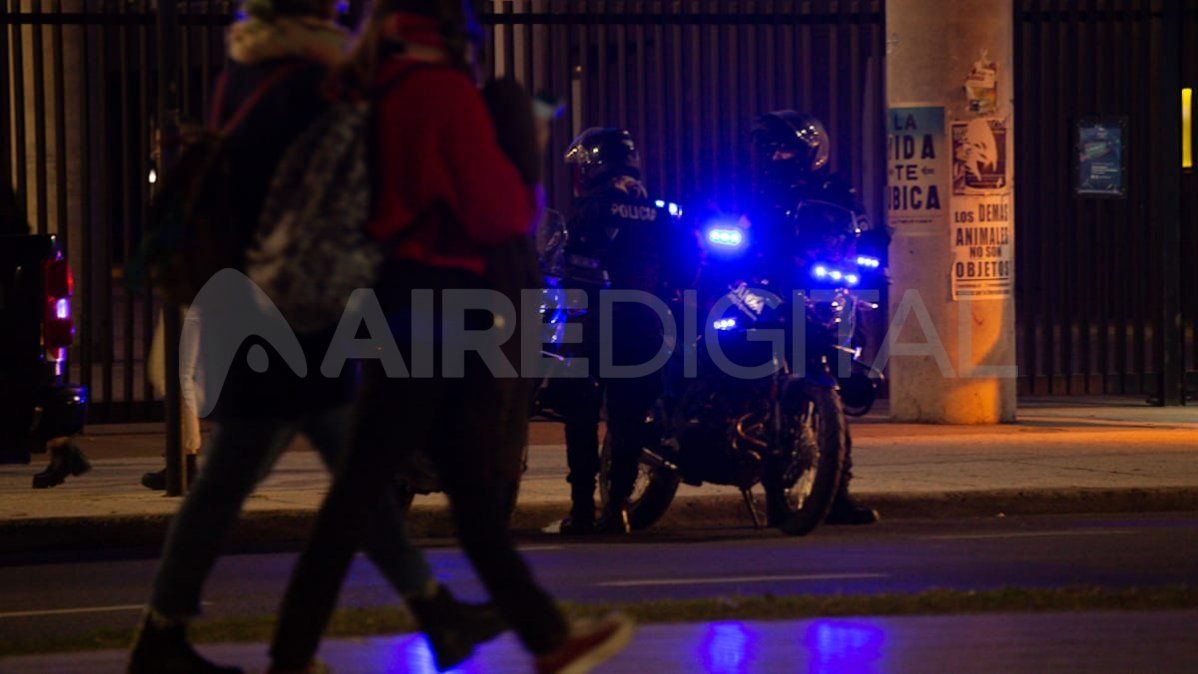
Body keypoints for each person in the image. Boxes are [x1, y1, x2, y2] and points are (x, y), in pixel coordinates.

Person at [126, 3, 501, 673]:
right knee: (237, 483)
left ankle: (430, 609)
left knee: (350, 474)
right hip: (287, 311)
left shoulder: (245, 70)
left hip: (266, 302)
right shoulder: (307, 82)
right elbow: (331, 191)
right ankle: (165, 638)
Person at [265, 2, 634, 673]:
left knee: (465, 494)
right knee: (363, 500)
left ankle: (546, 637)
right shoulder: (441, 93)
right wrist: (522, 155)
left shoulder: (372, 88)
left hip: (394, 303)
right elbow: (504, 209)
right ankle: (289, 657)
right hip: (437, 308)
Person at [750, 110, 883, 526]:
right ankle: (774, 495)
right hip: (768, 285)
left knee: (838, 386)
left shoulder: (836, 189)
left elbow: (859, 230)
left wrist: (871, 253)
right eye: (772, 149)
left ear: (811, 150)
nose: (779, 156)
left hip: (824, 288)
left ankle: (835, 495)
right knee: (757, 375)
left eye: (787, 148)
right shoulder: (754, 190)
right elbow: (724, 226)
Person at [551, 127, 677, 535]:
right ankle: (618, 510)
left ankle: (582, 509)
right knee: (626, 419)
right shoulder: (658, 209)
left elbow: (570, 263)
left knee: (581, 414)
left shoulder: (590, 208)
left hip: (590, 320)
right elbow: (685, 264)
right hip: (644, 321)